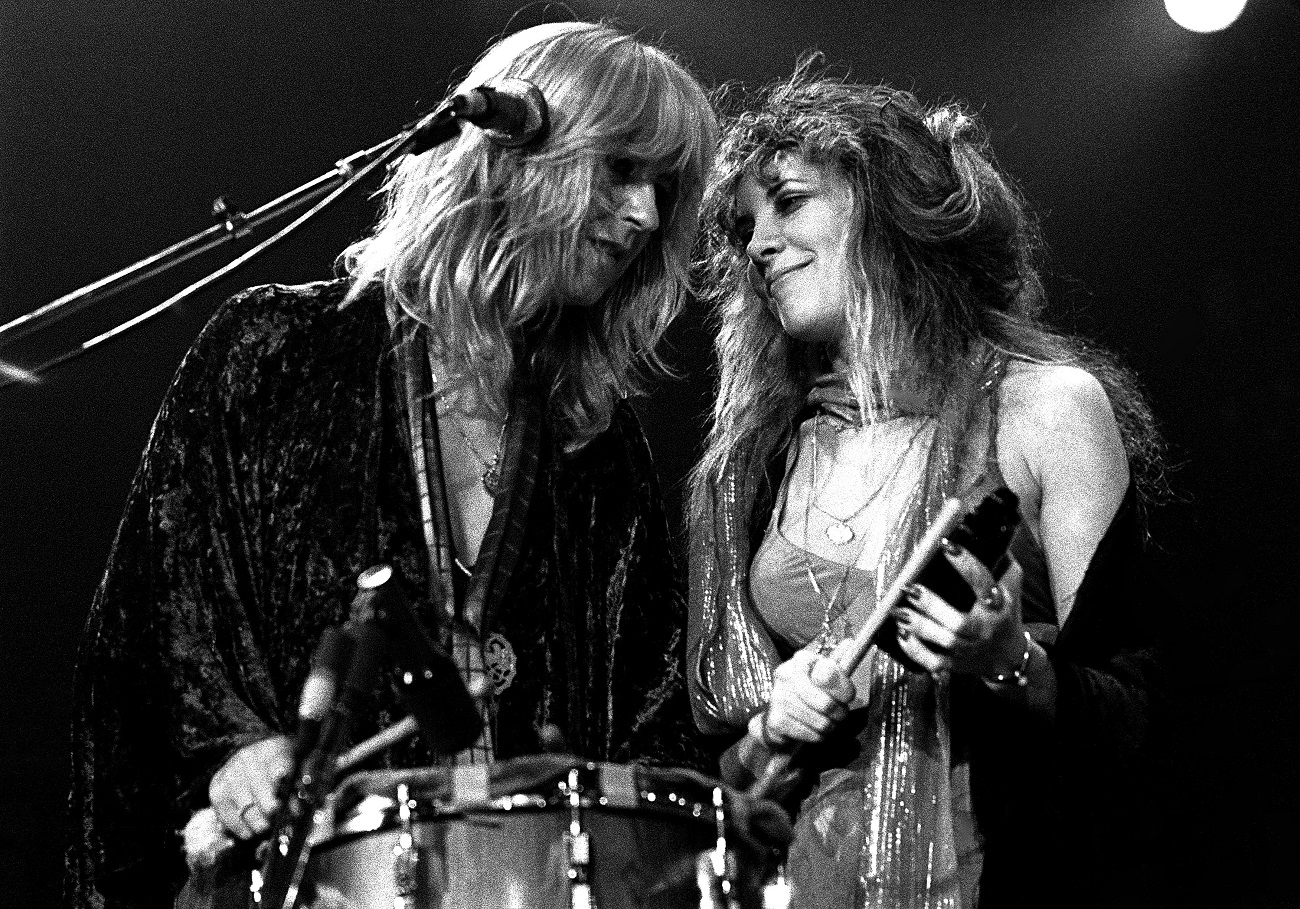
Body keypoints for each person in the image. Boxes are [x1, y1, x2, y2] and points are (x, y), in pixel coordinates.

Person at [65, 21, 720, 909]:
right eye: (619, 169)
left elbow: (652, 720)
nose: (644, 215)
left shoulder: (598, 440)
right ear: (512, 151)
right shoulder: (277, 354)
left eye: (662, 189)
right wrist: (233, 749)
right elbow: (155, 629)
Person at [688, 68, 1167, 909]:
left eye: (790, 202)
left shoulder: (1047, 408)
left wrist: (1005, 658)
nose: (760, 244)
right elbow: (700, 771)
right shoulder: (754, 461)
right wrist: (774, 721)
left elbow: (1139, 721)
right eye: (745, 225)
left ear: (890, 211)